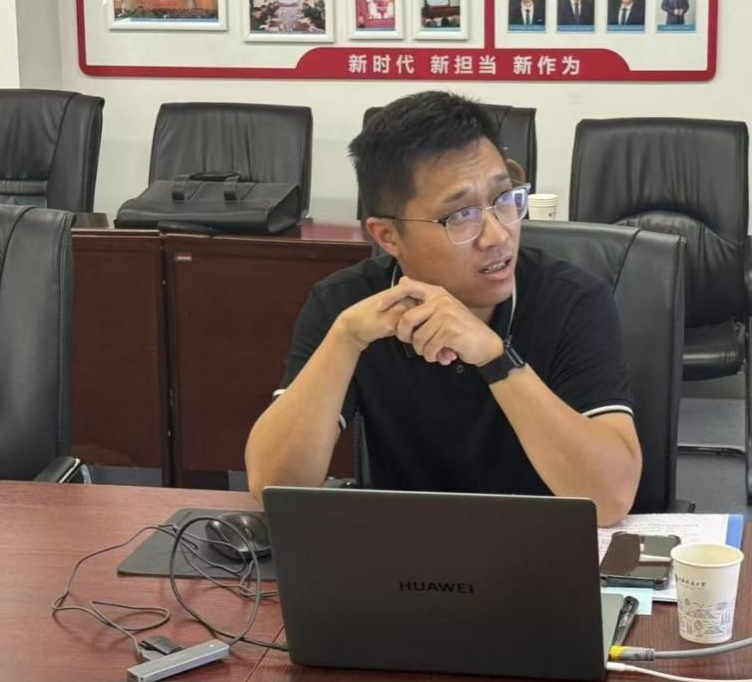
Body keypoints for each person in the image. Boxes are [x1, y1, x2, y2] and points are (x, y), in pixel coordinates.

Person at [245, 92, 642, 526]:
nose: (498, 236)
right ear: (388, 236)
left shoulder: (573, 300)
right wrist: (345, 341)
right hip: (404, 548)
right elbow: (273, 486)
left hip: (541, 543)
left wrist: (495, 359)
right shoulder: (348, 307)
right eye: (461, 215)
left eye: (504, 198)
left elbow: (610, 499)